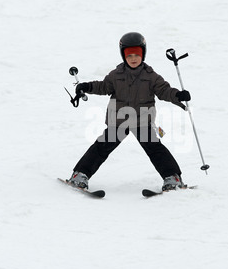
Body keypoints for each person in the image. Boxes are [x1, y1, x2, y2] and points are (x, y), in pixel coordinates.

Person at [67, 32, 191, 191]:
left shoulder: (151, 76)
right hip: (119, 120)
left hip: (142, 120)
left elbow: (164, 90)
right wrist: (87, 87)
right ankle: (80, 175)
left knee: (155, 149)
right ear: (123, 55)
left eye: (137, 54)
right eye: (129, 54)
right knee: (101, 147)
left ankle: (172, 177)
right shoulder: (116, 75)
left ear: (143, 54)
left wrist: (178, 95)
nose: (133, 58)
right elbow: (103, 87)